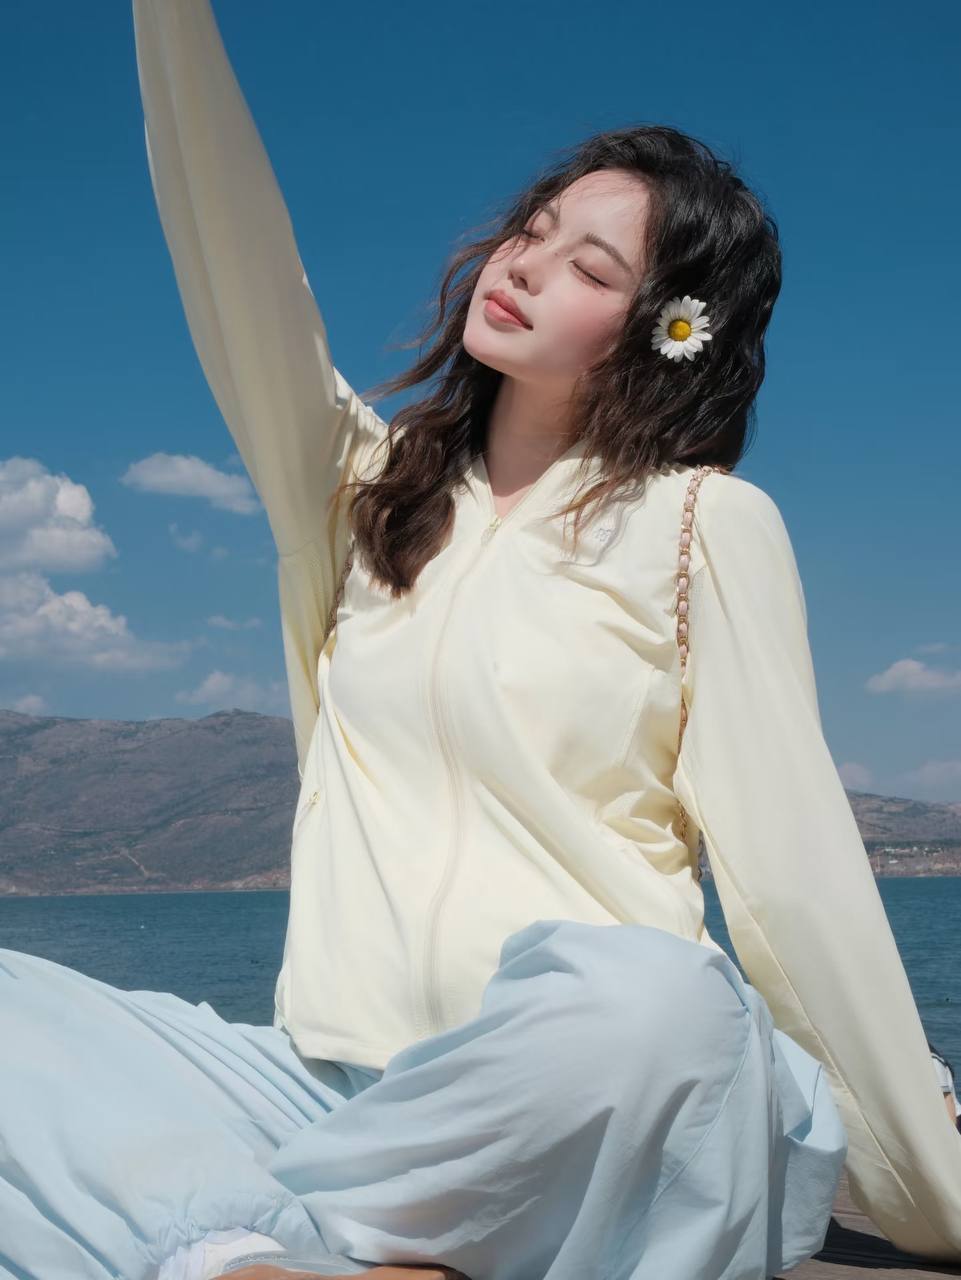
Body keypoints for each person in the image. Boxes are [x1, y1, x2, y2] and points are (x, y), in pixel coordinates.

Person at [3, 2, 960, 1277]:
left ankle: (260, 1233)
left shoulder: (701, 525)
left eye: (589, 268)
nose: (522, 264)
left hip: (592, 1093)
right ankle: (267, 1254)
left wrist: (929, 1182)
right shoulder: (357, 490)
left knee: (664, 1005)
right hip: (338, 1089)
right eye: (532, 228)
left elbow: (794, 877)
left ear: (665, 330)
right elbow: (237, 265)